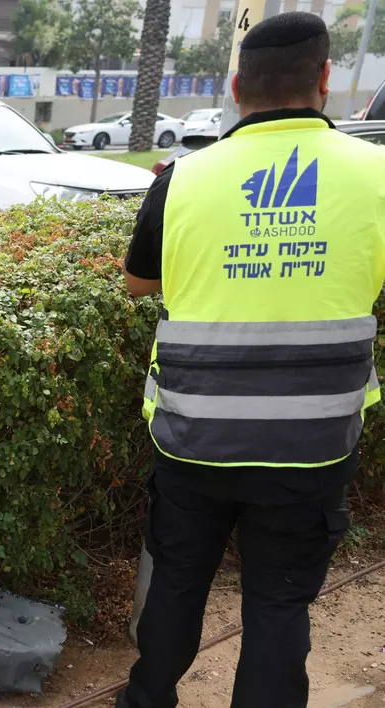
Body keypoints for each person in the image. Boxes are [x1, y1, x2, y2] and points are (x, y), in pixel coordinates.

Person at [118, 13, 385, 708]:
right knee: (278, 605)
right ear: (325, 79)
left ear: (237, 87)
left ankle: (146, 700)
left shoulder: (181, 178)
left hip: (194, 439)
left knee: (177, 582)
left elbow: (138, 281)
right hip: (311, 446)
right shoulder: (378, 173)